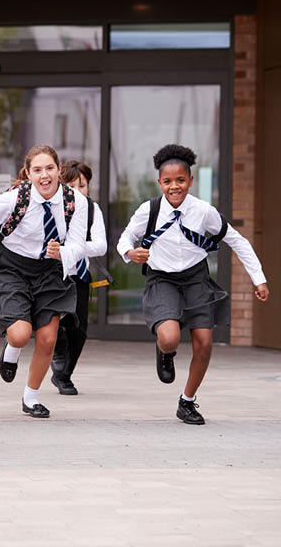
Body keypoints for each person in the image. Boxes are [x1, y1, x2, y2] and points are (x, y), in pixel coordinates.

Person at [117, 144, 269, 424]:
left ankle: (186, 401)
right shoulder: (148, 210)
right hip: (162, 278)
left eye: (180, 180)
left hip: (196, 279)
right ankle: (165, 351)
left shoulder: (203, 211)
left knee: (204, 343)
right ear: (159, 182)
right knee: (170, 337)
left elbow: (237, 240)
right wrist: (130, 252)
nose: (174, 186)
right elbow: (125, 239)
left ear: (190, 180)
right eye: (168, 181)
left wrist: (258, 278)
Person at [0, 144, 88, 418]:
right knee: (20, 334)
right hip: (14, 268)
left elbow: (79, 244)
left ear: (59, 170)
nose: (44, 175)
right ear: (28, 173)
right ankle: (11, 350)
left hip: (51, 270)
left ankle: (31, 397)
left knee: (47, 338)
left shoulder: (75, 202)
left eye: (49, 168)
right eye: (37, 170)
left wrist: (63, 252)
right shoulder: (13, 198)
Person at [50, 160, 107, 395]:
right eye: (71, 186)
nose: (78, 191)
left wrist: (71, 248)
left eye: (82, 186)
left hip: (79, 276)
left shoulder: (93, 210)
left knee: (79, 330)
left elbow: (101, 246)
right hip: (52, 275)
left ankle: (63, 375)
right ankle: (59, 368)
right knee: (56, 324)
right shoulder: (52, 208)